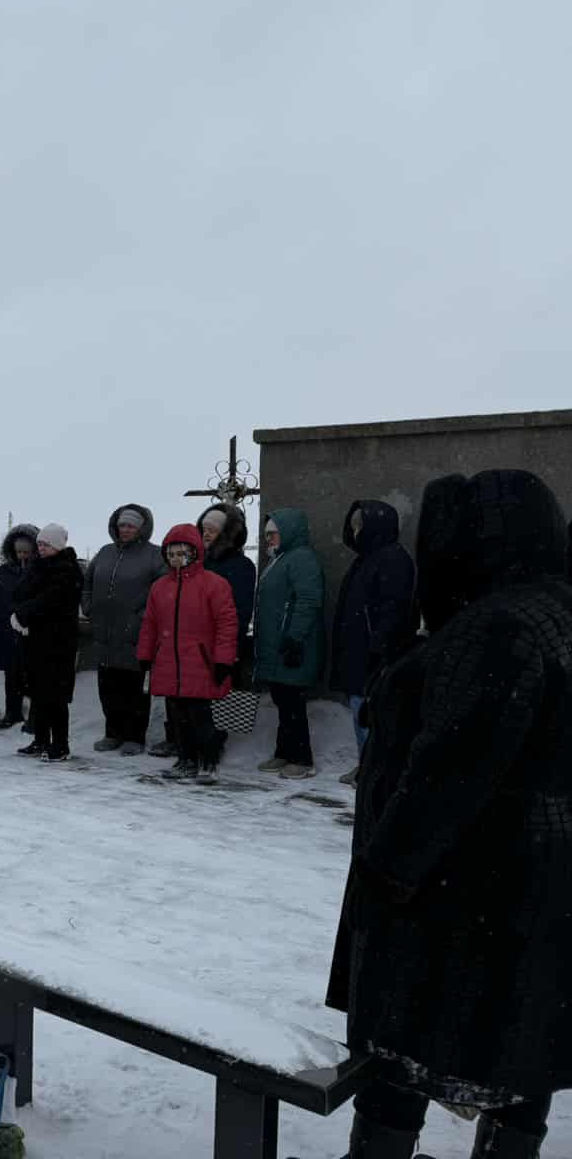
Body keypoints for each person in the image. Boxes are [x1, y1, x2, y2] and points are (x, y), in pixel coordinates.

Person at [322, 470, 572, 1159]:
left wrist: (385, 873)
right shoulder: (554, 611)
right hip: (540, 879)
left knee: (406, 1035)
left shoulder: (497, 626)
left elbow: (451, 770)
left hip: (462, 884)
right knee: (526, 1035)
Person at [149, 502, 259, 758]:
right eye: (204, 529)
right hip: (184, 643)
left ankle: (211, 748)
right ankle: (178, 741)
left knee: (211, 701)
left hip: (214, 645)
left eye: (213, 529)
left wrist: (229, 649)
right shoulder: (194, 562)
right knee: (179, 695)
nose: (206, 534)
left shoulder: (240, 565)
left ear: (227, 533)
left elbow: (238, 611)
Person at [136, 524, 239, 781]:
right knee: (177, 717)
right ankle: (186, 760)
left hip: (200, 663)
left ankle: (209, 762)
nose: (175, 559)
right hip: (169, 662)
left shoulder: (214, 584)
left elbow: (227, 625)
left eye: (181, 553)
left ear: (194, 553)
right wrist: (145, 655)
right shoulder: (160, 587)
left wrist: (223, 660)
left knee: (200, 717)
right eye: (171, 554)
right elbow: (150, 624)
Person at [329, 500, 415, 787]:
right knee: (361, 711)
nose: (355, 532)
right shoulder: (367, 559)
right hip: (360, 650)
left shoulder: (392, 559)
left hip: (374, 653)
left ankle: (374, 770)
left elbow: (393, 609)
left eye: (360, 526)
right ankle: (366, 764)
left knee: (370, 714)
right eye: (353, 526)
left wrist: (379, 647)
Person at [82, 504, 165, 754]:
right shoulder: (105, 552)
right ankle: (113, 733)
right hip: (105, 633)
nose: (125, 530)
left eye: (130, 526)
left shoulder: (154, 555)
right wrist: (88, 607)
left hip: (135, 635)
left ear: (141, 529)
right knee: (108, 688)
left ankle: (134, 737)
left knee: (134, 690)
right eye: (122, 526)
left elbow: (160, 592)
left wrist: (140, 619)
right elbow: (87, 582)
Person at [253, 508, 326, 779]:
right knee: (283, 699)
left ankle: (302, 759)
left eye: (273, 533)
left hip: (293, 645)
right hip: (279, 644)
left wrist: (295, 636)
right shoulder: (282, 559)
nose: (268, 539)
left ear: (290, 532)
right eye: (266, 535)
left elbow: (308, 600)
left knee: (292, 702)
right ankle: (284, 752)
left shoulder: (301, 558)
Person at [10, 524, 82, 761]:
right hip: (37, 639)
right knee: (39, 693)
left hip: (58, 641)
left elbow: (50, 600)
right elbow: (22, 593)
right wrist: (21, 611)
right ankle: (40, 740)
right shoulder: (38, 566)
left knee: (56, 696)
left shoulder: (67, 569)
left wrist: (23, 614)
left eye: (46, 545)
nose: (41, 548)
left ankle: (60, 744)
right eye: (40, 544)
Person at [0, 523, 39, 728]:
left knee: (31, 677)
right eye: (19, 552)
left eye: (26, 552)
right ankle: (13, 713)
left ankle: (34, 718)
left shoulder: (39, 572)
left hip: (29, 632)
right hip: (7, 631)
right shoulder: (4, 572)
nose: (22, 556)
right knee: (11, 676)